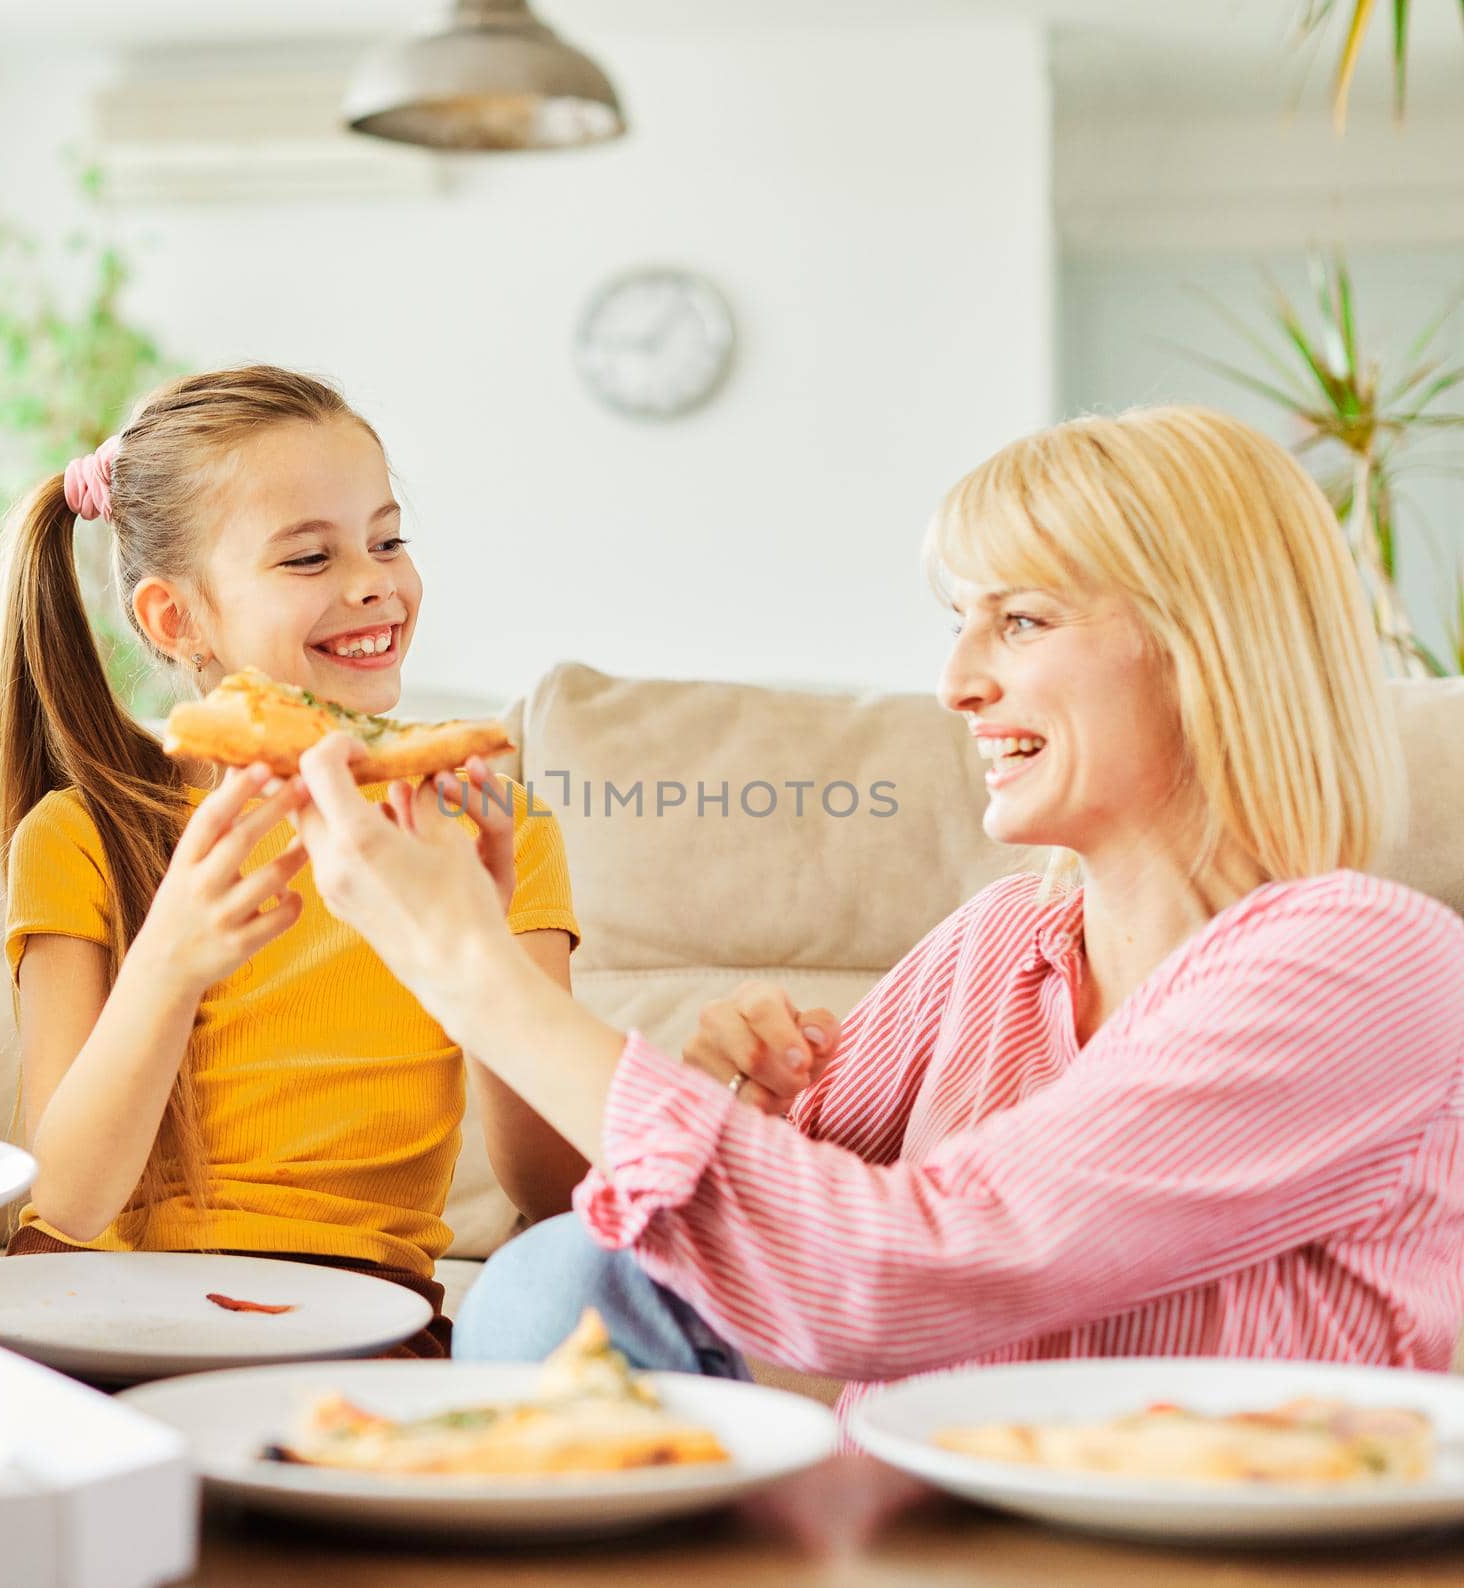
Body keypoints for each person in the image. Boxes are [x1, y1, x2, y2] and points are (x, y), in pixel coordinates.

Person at [285, 405, 1464, 1407]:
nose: (956, 683)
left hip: (1183, 1548)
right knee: (559, 1276)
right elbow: (762, 1217)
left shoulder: (1364, 963)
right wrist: (750, 1095)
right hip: (910, 1522)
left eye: (1022, 619)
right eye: (960, 624)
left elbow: (905, 1268)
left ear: (1205, 645)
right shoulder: (1002, 943)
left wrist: (468, 970)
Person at [0, 366, 582, 1354]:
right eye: (309, 557)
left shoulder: (486, 824)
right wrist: (171, 959)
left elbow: (552, 1191)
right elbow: (67, 1202)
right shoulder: (81, 834)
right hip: (97, 1309)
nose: (372, 580)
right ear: (177, 619)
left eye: (387, 538)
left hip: (364, 1312)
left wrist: (479, 955)